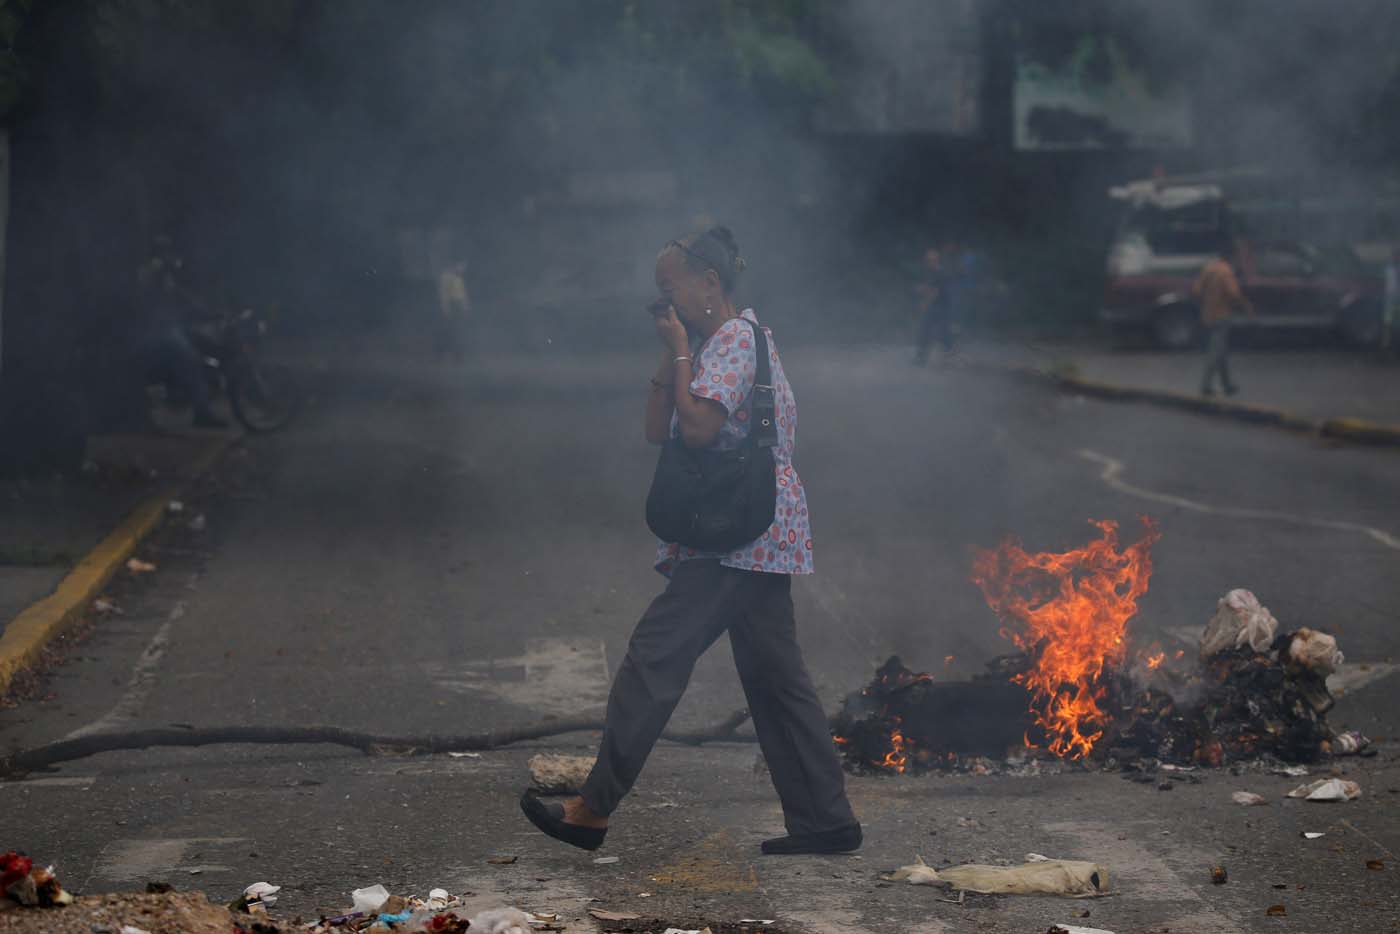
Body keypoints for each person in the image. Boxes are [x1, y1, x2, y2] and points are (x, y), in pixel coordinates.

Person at [520, 226, 861, 856]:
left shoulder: (733, 340)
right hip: (754, 532)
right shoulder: (712, 345)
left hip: (735, 537)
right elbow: (658, 427)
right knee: (775, 677)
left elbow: (699, 430)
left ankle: (592, 809)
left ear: (709, 283)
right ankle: (824, 820)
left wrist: (683, 347)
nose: (663, 299)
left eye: (670, 286)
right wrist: (674, 350)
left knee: (654, 659)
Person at [135, 236, 227, 428]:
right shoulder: (151, 271)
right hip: (154, 331)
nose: (171, 255)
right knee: (191, 361)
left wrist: (208, 312)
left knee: (199, 345)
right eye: (166, 251)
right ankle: (201, 413)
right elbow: (161, 295)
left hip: (166, 327)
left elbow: (181, 297)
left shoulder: (163, 274)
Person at [1193, 242, 1255, 397]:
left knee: (1221, 351)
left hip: (1208, 315)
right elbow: (1233, 293)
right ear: (1231, 257)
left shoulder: (1209, 268)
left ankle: (1227, 385)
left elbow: (1196, 290)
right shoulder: (1226, 272)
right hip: (1222, 315)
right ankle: (1205, 385)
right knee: (1216, 351)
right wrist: (1246, 306)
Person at [913, 246, 952, 364]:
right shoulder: (931, 272)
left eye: (930, 260)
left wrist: (925, 304)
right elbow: (929, 288)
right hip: (935, 306)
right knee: (928, 331)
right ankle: (923, 356)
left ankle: (927, 356)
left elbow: (936, 292)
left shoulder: (939, 272)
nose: (928, 262)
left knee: (930, 330)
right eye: (927, 260)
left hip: (939, 306)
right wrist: (922, 289)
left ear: (936, 260)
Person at [436, 260, 471, 362]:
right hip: (452, 306)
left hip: (459, 306)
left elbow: (463, 294)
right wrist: (445, 308)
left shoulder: (459, 277)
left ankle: (458, 355)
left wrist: (466, 307)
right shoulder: (446, 276)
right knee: (450, 331)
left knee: (459, 331)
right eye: (462, 266)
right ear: (456, 264)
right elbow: (444, 293)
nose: (463, 269)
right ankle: (442, 354)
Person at [1383, 247, 1399, 352]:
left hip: (1393, 298)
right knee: (1389, 323)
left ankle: (1388, 345)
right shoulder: (1391, 268)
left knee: (1390, 323)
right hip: (1392, 298)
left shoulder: (1392, 268)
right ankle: (1388, 345)